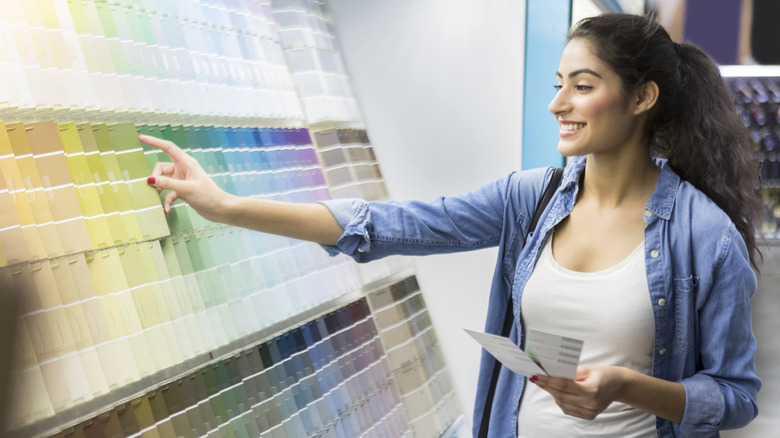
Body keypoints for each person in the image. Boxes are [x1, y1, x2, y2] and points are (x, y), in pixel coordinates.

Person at [142, 13, 762, 438]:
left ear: (642, 97)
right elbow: (390, 225)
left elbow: (735, 397)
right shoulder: (532, 199)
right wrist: (225, 205)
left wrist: (627, 387)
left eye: (583, 85)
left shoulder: (703, 237)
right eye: (558, 85)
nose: (558, 103)